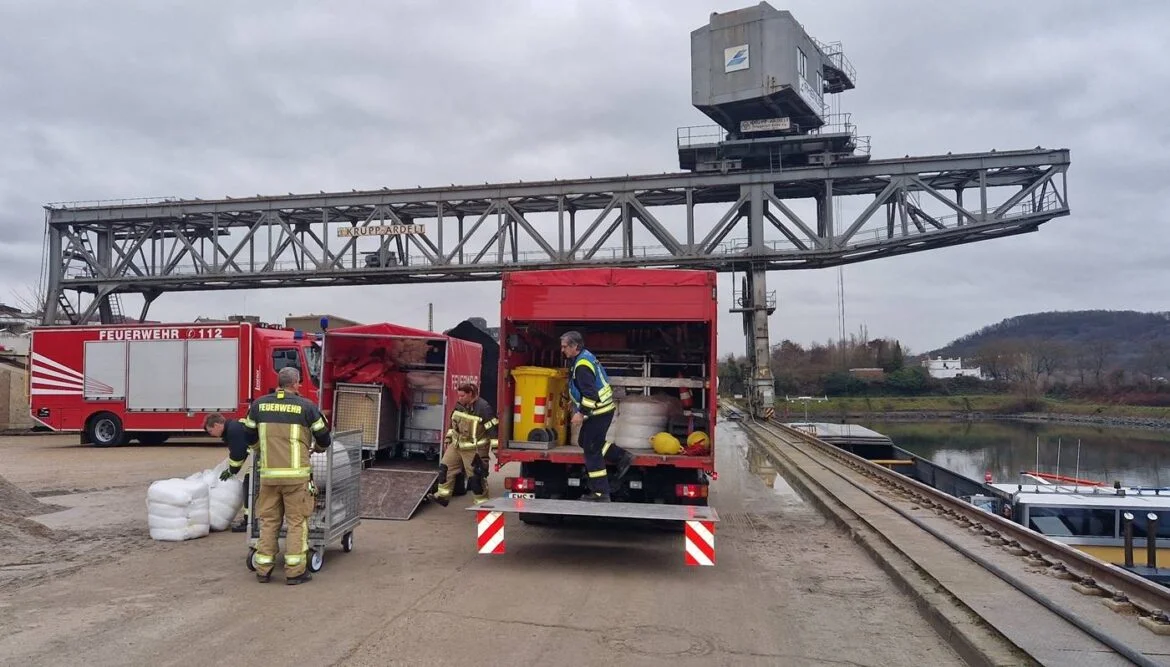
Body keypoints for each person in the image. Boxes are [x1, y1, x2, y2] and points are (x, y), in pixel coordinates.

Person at [238, 366, 332, 585]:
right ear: (296, 383)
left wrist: (260, 449)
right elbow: (324, 437)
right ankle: (295, 571)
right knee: (297, 522)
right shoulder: (306, 407)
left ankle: (263, 569)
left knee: (269, 521)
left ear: (278, 382)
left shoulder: (259, 405)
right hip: (296, 478)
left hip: (269, 476)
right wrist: (317, 448)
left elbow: (248, 433)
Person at [561, 331, 634, 502]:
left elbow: (591, 394)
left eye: (565, 346)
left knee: (591, 450)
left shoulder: (582, 366)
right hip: (601, 410)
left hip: (598, 412)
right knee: (584, 441)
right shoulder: (584, 358)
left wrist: (580, 413)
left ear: (575, 347)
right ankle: (621, 456)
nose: (562, 349)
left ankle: (601, 493)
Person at [433, 382, 498, 507]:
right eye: (459, 396)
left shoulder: (484, 408)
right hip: (456, 446)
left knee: (475, 478)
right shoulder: (459, 406)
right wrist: (448, 439)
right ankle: (443, 496)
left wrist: (495, 448)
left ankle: (482, 503)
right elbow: (453, 425)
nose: (459, 398)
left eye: (462, 396)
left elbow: (493, 429)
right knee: (445, 469)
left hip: (474, 449)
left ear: (470, 394)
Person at [203, 412, 255, 532]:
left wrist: (231, 471)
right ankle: (250, 520)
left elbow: (238, 454)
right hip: (264, 455)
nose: (211, 435)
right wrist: (232, 470)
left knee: (249, 483)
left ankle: (249, 522)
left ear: (217, 425)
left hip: (266, 456)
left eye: (210, 431)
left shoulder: (233, 431)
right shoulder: (234, 427)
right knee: (250, 481)